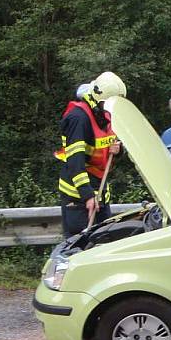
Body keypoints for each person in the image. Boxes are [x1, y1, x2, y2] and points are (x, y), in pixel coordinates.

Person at [55, 71, 126, 238]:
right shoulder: (78, 119)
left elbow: (105, 151)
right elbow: (75, 161)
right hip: (78, 197)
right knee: (79, 247)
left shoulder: (104, 116)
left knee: (102, 245)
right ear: (100, 100)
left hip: (100, 193)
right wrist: (87, 196)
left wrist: (118, 151)